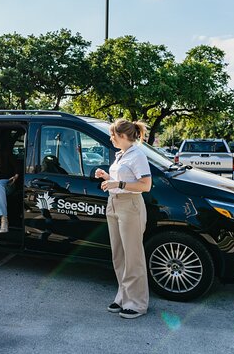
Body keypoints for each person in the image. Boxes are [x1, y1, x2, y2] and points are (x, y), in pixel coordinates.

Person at [95, 119, 152, 319]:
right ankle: (123, 296)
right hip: (114, 204)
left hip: (130, 206)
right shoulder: (121, 155)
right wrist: (106, 177)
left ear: (122, 136)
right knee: (119, 255)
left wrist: (117, 183)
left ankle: (136, 304)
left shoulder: (137, 155)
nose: (111, 139)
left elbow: (145, 186)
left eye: (112, 135)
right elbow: (120, 182)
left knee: (133, 256)